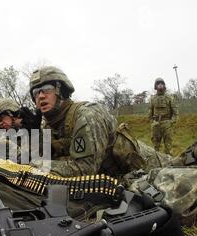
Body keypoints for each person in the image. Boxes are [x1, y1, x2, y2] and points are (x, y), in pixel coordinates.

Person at [28, 66, 190, 177]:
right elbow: (48, 156)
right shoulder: (49, 125)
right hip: (118, 177)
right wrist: (33, 137)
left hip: (150, 167)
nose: (40, 96)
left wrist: (31, 166)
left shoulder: (87, 115)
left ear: (60, 90)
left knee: (184, 166)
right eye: (36, 92)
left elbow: (84, 170)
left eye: (47, 89)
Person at [149, 78, 179, 155]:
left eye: (162, 84)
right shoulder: (152, 98)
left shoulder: (170, 98)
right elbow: (150, 112)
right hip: (156, 124)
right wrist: (152, 122)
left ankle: (169, 164)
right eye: (158, 84)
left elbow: (175, 112)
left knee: (168, 146)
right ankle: (157, 164)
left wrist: (171, 122)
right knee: (156, 147)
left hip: (167, 124)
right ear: (155, 86)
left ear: (164, 86)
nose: (160, 85)